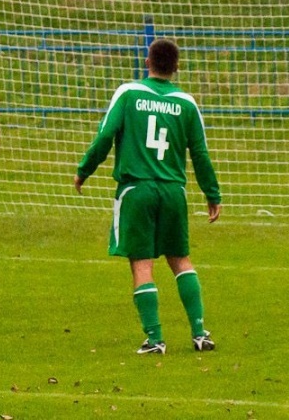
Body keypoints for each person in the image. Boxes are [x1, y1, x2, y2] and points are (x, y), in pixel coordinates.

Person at [74, 38, 222, 354]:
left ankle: (155, 340)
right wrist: (212, 193)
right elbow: (200, 154)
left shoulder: (128, 94)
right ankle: (199, 333)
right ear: (177, 67)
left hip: (136, 190)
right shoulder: (186, 103)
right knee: (180, 259)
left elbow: (105, 136)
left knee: (142, 263)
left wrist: (85, 169)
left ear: (147, 62)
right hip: (173, 192)